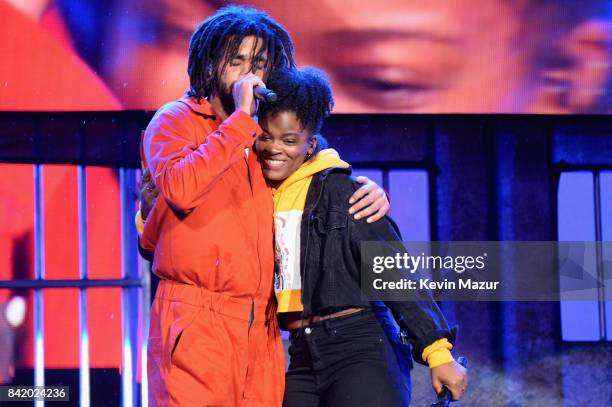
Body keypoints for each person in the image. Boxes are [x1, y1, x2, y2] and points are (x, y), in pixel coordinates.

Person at [139, 6, 389, 406]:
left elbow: (313, 172)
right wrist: (239, 118)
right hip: (197, 318)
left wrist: (365, 188)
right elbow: (182, 189)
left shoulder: (263, 134)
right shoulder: (175, 121)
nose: (247, 72)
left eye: (258, 62)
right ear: (208, 62)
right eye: (235, 60)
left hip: (262, 328)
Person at [255, 66, 467, 406]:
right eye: (265, 136)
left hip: (361, 344)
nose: (274, 148)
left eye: (289, 140)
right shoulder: (257, 193)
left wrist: (437, 351)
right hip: (302, 350)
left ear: (310, 143)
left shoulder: (344, 192)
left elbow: (394, 271)